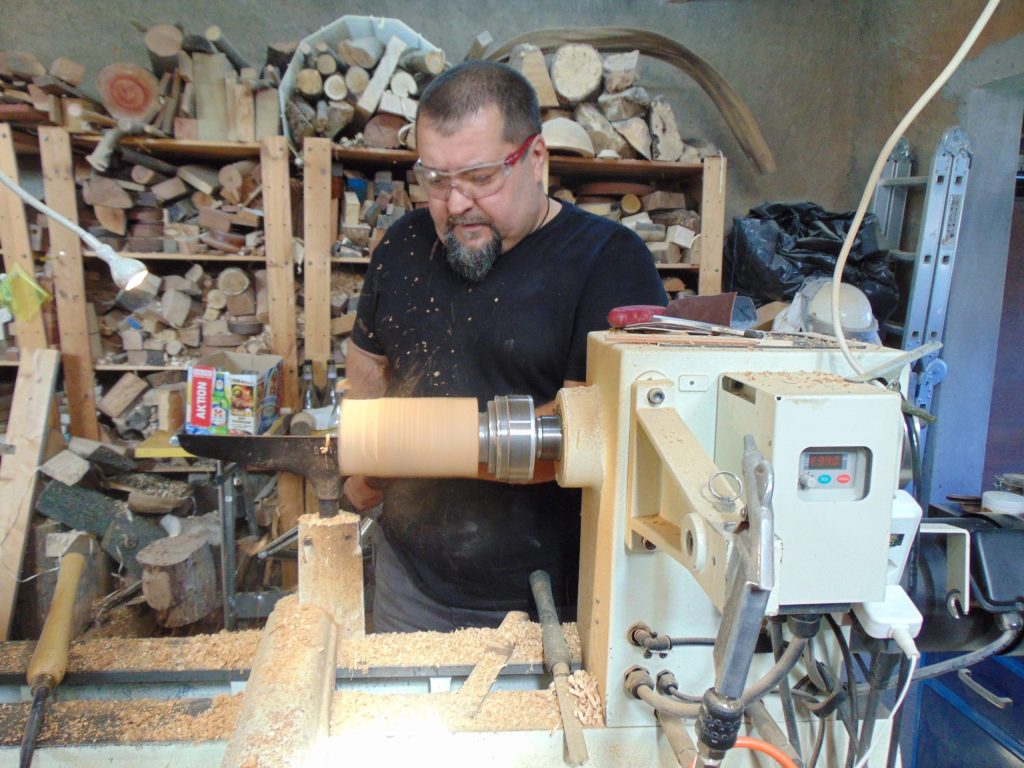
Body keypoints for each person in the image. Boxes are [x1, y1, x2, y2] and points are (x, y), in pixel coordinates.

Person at [343, 60, 668, 632]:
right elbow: (369, 360)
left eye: (480, 176)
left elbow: (581, 436)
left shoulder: (610, 263)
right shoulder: (403, 245)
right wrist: (364, 459)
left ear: (535, 159)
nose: (456, 203)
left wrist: (398, 448)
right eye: (436, 180)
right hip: (409, 581)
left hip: (550, 596)